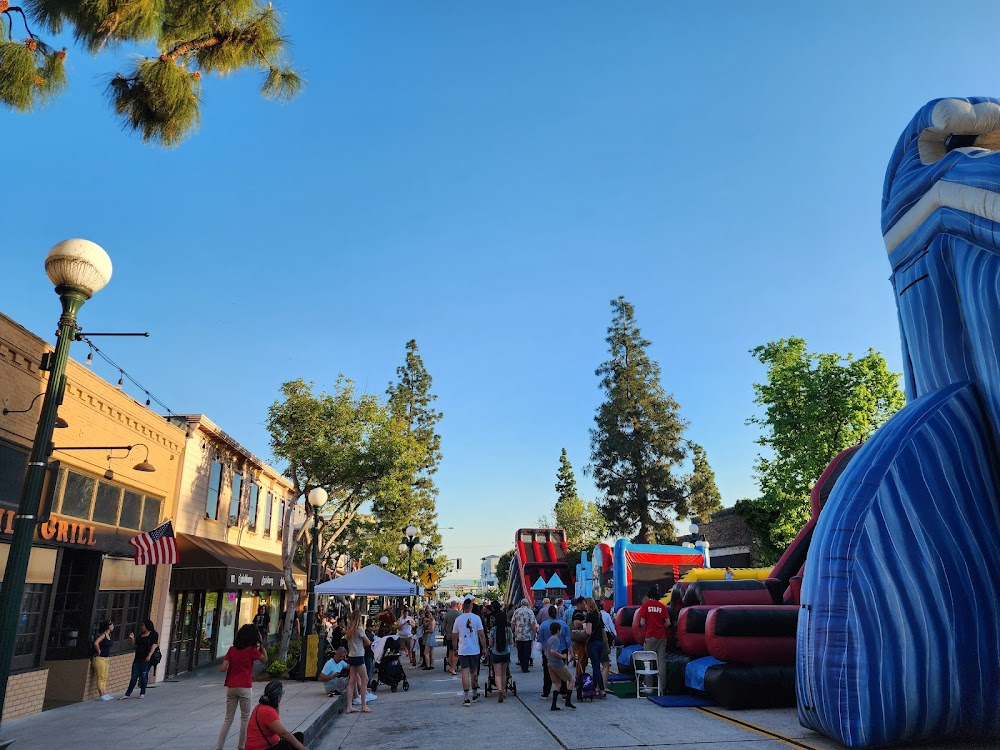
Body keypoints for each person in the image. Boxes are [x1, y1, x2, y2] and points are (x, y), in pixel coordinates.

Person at [214, 623, 268, 750]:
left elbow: (223, 668)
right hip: (245, 687)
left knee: (228, 719)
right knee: (245, 718)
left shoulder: (232, 650)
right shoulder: (251, 651)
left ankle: (219, 746)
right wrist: (262, 646)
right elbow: (264, 659)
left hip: (231, 687)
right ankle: (241, 746)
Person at [246, 681, 309, 750]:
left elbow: (277, 721)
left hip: (269, 745)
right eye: (282, 693)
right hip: (261, 748)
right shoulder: (267, 711)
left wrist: (276, 704)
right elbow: (283, 733)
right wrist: (302, 748)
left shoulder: (262, 707)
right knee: (287, 744)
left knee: (298, 736)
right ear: (278, 696)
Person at [452, 597, 488, 707]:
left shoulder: (458, 619)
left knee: (464, 672)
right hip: (474, 649)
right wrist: (484, 648)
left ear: (462, 607)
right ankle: (475, 694)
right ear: (471, 607)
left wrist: (454, 649)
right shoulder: (476, 618)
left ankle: (466, 697)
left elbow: (454, 636)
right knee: (474, 672)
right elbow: (481, 634)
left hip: (463, 649)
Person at [636, 585, 670, 691]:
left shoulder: (646, 606)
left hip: (650, 637)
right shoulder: (662, 606)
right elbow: (668, 623)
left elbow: (642, 622)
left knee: (648, 661)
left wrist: (648, 628)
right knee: (661, 662)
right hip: (662, 637)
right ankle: (662, 687)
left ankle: (649, 686)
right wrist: (660, 627)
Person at [536, 605, 571, 700]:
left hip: (547, 652)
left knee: (547, 672)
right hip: (561, 650)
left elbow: (540, 639)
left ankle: (546, 692)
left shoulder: (543, 625)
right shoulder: (563, 624)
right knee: (563, 672)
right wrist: (571, 651)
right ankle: (564, 692)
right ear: (557, 613)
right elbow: (568, 639)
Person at [120, 619, 158, 699]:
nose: (141, 627)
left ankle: (142, 692)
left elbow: (154, 645)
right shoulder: (140, 635)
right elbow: (134, 645)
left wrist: (149, 655)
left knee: (144, 675)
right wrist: (132, 638)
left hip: (146, 659)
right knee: (134, 676)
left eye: (143, 625)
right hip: (137, 658)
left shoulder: (153, 634)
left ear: (147, 626)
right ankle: (128, 693)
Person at [344, 609, 373, 713]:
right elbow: (368, 642)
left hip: (351, 656)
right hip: (359, 655)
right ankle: (363, 705)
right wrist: (363, 645)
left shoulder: (349, 631)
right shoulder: (359, 629)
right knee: (364, 679)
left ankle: (349, 706)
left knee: (352, 681)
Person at [546, 621, 576, 711]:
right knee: (571, 679)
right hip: (557, 664)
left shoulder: (549, 639)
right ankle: (568, 700)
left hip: (550, 664)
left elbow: (547, 652)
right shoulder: (556, 639)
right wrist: (562, 656)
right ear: (558, 630)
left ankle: (554, 705)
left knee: (557, 684)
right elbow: (553, 651)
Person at [583, 597, 608, 698]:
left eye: (585, 604)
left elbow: (589, 631)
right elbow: (603, 632)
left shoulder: (589, 616)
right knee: (597, 667)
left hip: (592, 643)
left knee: (596, 667)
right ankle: (596, 689)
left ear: (588, 604)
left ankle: (601, 690)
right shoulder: (598, 615)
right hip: (600, 643)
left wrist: (584, 628)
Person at [488, 601, 512, 702]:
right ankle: (503, 689)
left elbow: (490, 643)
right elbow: (511, 642)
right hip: (506, 653)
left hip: (496, 653)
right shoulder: (508, 630)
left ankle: (499, 691)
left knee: (497, 674)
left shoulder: (493, 630)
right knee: (504, 673)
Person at [511, 598, 537, 673]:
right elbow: (532, 623)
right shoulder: (530, 611)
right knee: (527, 651)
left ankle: (522, 664)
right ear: (527, 604)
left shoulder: (516, 611)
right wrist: (535, 632)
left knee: (520, 651)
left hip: (518, 635)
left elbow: (513, 623)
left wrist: (512, 632)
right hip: (527, 635)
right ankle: (525, 666)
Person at [91, 620, 114, 700]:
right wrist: (99, 651)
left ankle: (104, 692)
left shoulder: (109, 635)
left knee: (105, 676)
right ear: (108, 627)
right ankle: (101, 694)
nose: (113, 626)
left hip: (106, 658)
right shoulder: (103, 635)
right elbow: (96, 643)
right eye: (111, 625)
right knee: (100, 677)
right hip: (99, 658)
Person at [444, 599, 462, 675]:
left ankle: (451, 666)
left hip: (449, 635)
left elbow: (444, 625)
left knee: (450, 651)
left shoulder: (447, 614)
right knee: (456, 651)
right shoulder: (459, 614)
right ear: (457, 605)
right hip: (457, 635)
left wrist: (446, 631)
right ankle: (453, 667)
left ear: (451, 605)